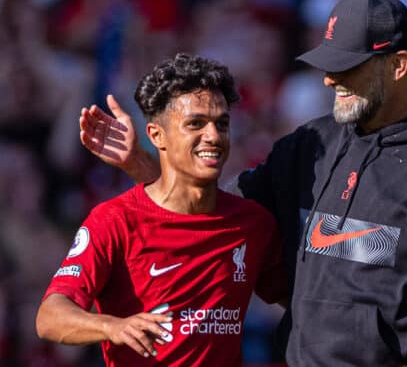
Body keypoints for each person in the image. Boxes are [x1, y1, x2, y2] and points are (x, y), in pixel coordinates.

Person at [80, 0, 407, 366]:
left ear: (399, 65)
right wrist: (144, 164)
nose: (329, 80)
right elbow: (219, 217)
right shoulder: (311, 144)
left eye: (347, 67)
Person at [36, 53, 286, 367]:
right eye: (195, 123)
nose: (213, 136)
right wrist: (113, 326)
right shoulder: (115, 220)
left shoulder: (252, 224)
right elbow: (50, 317)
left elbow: (297, 302)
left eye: (221, 123)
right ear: (157, 135)